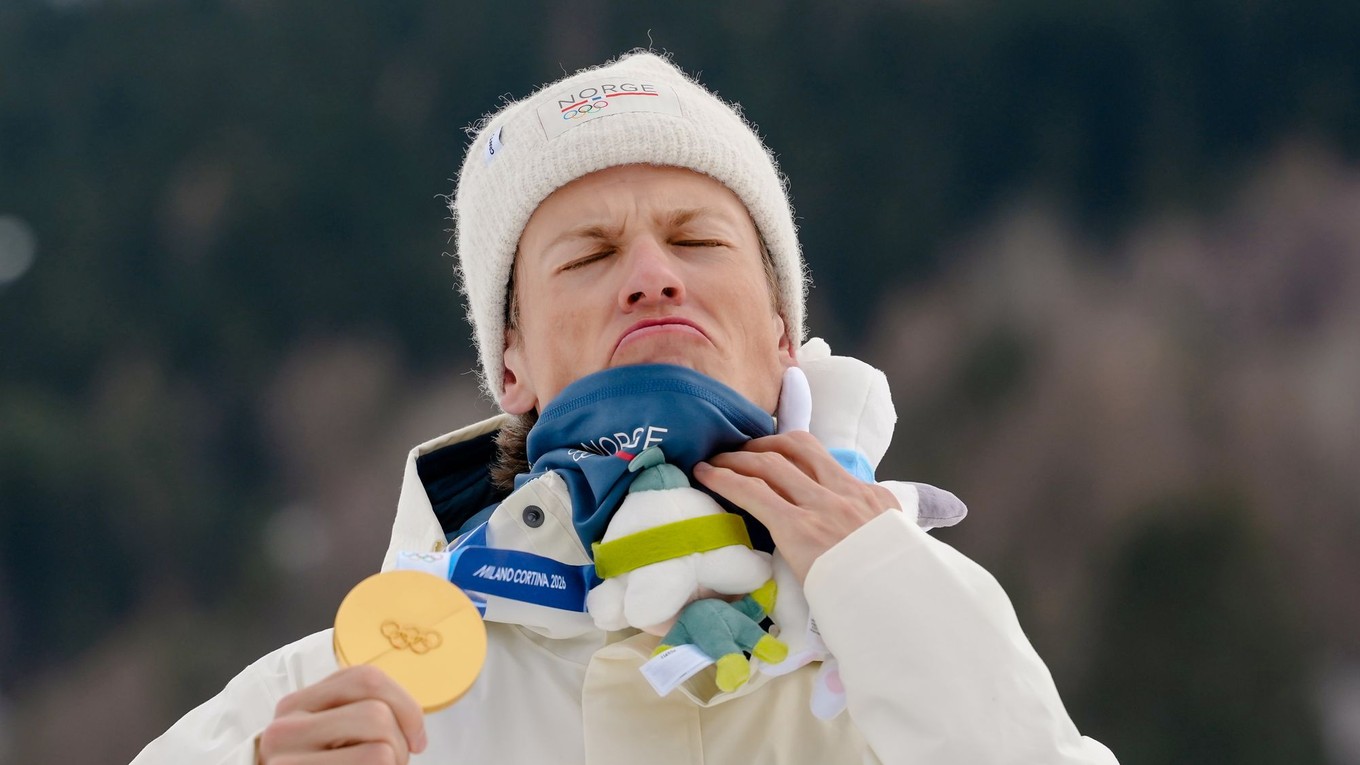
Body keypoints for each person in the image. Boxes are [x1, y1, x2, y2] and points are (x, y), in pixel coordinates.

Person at [133, 51, 1118, 765]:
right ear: (509, 366)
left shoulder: (910, 622)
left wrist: (886, 586)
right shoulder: (332, 701)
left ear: (783, 331)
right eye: (591, 256)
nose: (652, 278)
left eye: (698, 242)